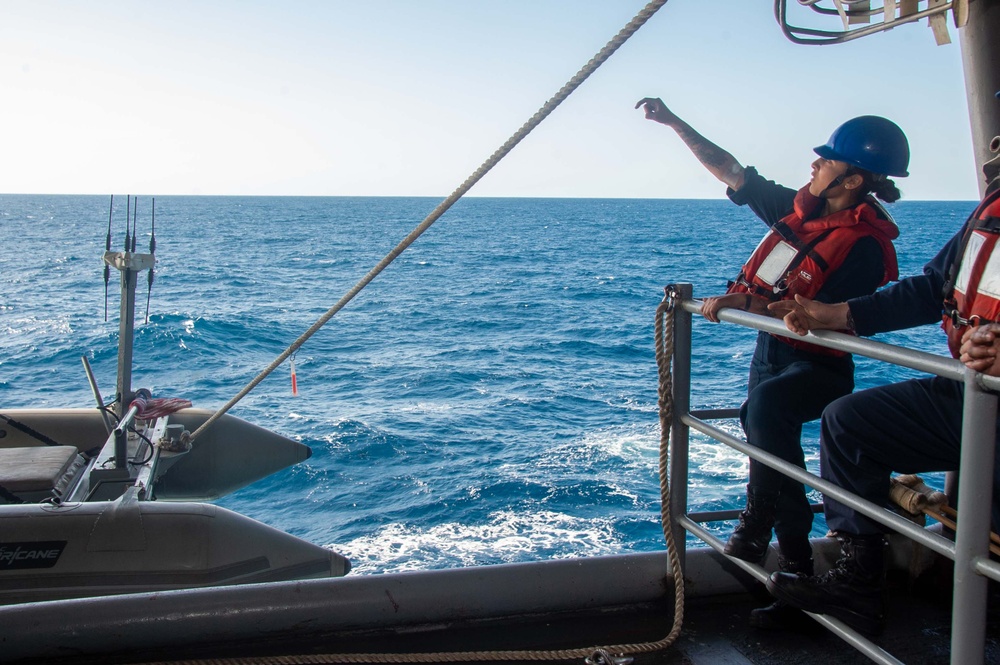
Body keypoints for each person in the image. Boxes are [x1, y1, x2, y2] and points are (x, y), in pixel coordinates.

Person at [635, 97, 910, 627]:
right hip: (771, 354)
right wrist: (674, 122)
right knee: (773, 448)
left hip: (819, 365)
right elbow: (729, 169)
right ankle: (798, 582)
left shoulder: (864, 249)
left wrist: (748, 303)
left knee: (764, 413)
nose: (814, 164)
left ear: (851, 180)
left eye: (827, 161)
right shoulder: (794, 212)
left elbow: (820, 314)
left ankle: (757, 517)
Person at [764, 155, 1000, 635]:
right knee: (850, 423)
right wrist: (835, 315)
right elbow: (935, 287)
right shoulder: (992, 208)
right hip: (975, 392)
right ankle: (859, 582)